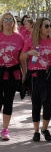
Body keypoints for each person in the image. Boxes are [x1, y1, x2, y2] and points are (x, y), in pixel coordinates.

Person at [20, 17, 51, 142]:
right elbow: (21, 57)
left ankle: (45, 129)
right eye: (47, 26)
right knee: (36, 104)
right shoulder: (30, 41)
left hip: (48, 77)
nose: (50, 28)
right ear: (40, 27)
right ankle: (36, 131)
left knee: (48, 103)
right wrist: (29, 53)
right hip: (34, 77)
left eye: (50, 26)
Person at [0, 12, 24, 140]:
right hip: (0, 71)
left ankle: (5, 129)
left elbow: (22, 58)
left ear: (14, 22)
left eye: (11, 19)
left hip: (13, 74)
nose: (8, 22)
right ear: (2, 22)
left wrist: (25, 74)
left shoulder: (19, 38)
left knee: (8, 102)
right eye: (5, 20)